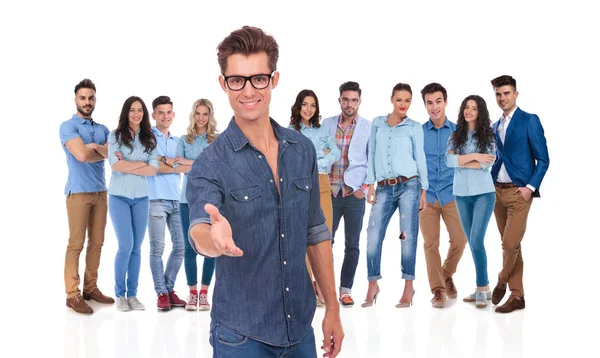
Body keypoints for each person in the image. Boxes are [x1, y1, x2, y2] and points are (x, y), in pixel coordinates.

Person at [186, 26, 343, 357]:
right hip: (241, 336)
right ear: (223, 84)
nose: (248, 90)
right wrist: (214, 239)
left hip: (300, 329)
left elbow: (315, 231)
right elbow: (200, 227)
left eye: (258, 78)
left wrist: (332, 308)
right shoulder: (210, 163)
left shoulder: (301, 150)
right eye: (236, 80)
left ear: (274, 79)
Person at [362, 83, 428, 308]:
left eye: (407, 101)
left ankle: (409, 286)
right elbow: (371, 155)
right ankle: (373, 283)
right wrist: (370, 183)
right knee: (373, 236)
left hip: (409, 185)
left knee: (407, 236)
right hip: (382, 187)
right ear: (392, 99)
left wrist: (424, 190)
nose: (403, 104)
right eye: (399, 100)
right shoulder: (378, 123)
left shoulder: (414, 127)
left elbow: (420, 158)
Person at [489, 75, 550, 313]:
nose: (502, 98)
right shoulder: (495, 126)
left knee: (509, 242)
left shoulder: (529, 120)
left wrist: (530, 188)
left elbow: (543, 159)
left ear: (515, 94)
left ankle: (502, 281)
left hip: (518, 193)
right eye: (498, 94)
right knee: (512, 247)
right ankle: (518, 296)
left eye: (506, 93)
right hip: (496, 192)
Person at [60, 78, 114, 314]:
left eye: (91, 97)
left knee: (97, 243)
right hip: (78, 192)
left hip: (101, 191)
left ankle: (90, 288)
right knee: (76, 244)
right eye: (83, 98)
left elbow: (113, 155)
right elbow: (81, 155)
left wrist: (95, 148)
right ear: (76, 100)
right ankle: (72, 294)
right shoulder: (67, 126)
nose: (87, 101)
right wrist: (95, 150)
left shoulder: (102, 129)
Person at [321, 81, 371, 307]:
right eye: (345, 99)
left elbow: (373, 160)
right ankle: (327, 289)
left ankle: (346, 290)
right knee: (325, 242)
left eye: (354, 100)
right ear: (339, 100)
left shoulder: (368, 127)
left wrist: (364, 189)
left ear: (359, 101)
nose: (349, 104)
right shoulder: (327, 124)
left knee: (352, 244)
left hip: (353, 195)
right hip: (329, 192)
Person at [289, 89, 341, 307]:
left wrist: (314, 157)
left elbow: (335, 153)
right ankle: (307, 286)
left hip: (322, 183)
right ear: (298, 106)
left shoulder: (321, 131)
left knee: (324, 237)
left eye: (312, 105)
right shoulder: (290, 131)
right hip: (300, 186)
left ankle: (322, 286)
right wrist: (321, 155)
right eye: (305, 105)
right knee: (302, 238)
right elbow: (295, 159)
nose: (308, 109)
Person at [445, 95, 496, 308]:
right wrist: (474, 156)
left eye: (474, 108)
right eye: (466, 107)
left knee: (476, 241)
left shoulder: (489, 136)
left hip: (484, 194)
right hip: (461, 195)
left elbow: (487, 164)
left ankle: (482, 288)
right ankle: (483, 289)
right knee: (472, 243)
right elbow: (448, 161)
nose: (469, 111)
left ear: (480, 112)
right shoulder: (455, 135)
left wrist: (461, 161)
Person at [419, 83, 467, 308]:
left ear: (445, 102)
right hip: (427, 197)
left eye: (438, 101)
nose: (434, 107)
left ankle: (446, 273)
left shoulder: (459, 132)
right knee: (430, 244)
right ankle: (438, 289)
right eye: (429, 102)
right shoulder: (418, 133)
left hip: (452, 195)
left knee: (460, 238)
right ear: (425, 105)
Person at [108, 96, 158, 312]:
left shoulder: (150, 138)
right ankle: (120, 295)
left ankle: (133, 295)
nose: (136, 114)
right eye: (132, 110)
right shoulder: (115, 136)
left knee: (137, 248)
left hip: (141, 198)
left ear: (144, 114)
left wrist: (128, 164)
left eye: (140, 110)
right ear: (126, 113)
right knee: (125, 246)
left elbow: (154, 169)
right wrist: (141, 164)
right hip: (118, 196)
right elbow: (115, 166)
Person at [174, 98, 218, 311]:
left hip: (211, 200)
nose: (201, 118)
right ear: (193, 115)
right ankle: (192, 294)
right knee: (189, 247)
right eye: (198, 113)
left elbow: (216, 168)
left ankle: (204, 293)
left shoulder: (215, 140)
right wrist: (200, 163)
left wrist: (189, 163)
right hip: (187, 200)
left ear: (210, 116)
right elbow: (176, 165)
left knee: (211, 247)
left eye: (205, 114)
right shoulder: (184, 140)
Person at [146, 95, 186, 311]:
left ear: (173, 114)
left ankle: (169, 289)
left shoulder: (179, 141)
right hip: (155, 199)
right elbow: (153, 167)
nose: (165, 116)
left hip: (177, 199)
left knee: (181, 246)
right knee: (158, 248)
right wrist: (173, 164)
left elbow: (187, 167)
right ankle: (161, 292)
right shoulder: (147, 139)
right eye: (160, 112)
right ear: (153, 115)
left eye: (168, 112)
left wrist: (164, 161)